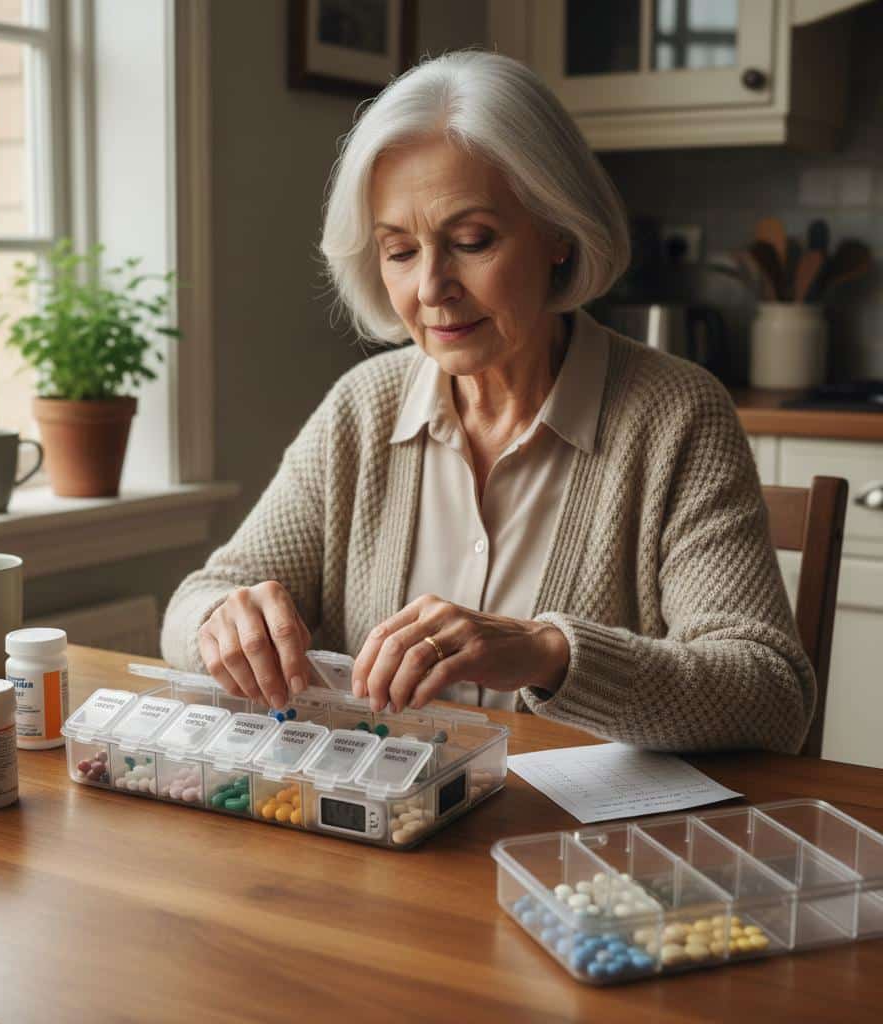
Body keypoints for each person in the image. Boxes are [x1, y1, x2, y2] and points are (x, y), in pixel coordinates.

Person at [161, 51, 814, 754]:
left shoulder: (678, 416)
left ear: (558, 234)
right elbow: (195, 605)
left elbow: (771, 693)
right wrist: (223, 623)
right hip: (387, 834)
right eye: (400, 251)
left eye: (471, 241)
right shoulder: (362, 408)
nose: (432, 287)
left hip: (581, 852)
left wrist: (549, 651)